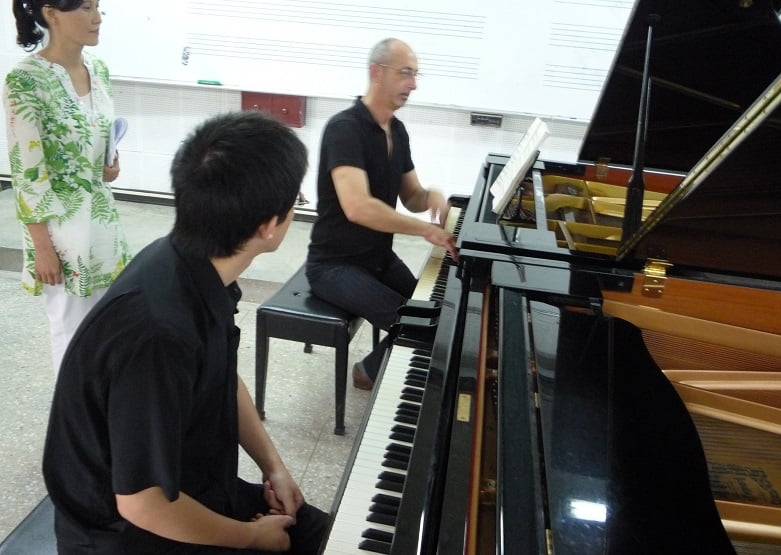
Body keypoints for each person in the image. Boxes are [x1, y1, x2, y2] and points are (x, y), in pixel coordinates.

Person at [42, 110, 329, 554]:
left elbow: (221, 376)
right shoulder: (158, 333)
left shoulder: (192, 260)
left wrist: (274, 467)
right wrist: (252, 537)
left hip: (193, 488)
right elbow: (142, 504)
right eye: (297, 200)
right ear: (269, 226)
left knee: (327, 534)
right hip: (129, 536)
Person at [306, 37, 458, 391]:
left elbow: (412, 196)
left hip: (377, 258)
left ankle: (401, 365)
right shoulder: (345, 129)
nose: (413, 84)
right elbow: (358, 207)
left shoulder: (397, 130)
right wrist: (424, 229)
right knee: (422, 324)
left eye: (416, 74)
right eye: (406, 73)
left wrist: (433, 196)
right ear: (376, 72)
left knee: (440, 311)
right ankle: (368, 371)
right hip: (334, 266)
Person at [3, 0, 130, 374]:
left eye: (98, 8)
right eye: (86, 8)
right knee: (72, 333)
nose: (97, 18)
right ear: (51, 14)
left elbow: (97, 141)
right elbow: (27, 171)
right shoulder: (25, 80)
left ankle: (104, 404)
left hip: (103, 221)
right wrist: (42, 248)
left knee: (110, 329)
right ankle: (71, 409)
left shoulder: (99, 70)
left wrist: (109, 164)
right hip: (60, 231)